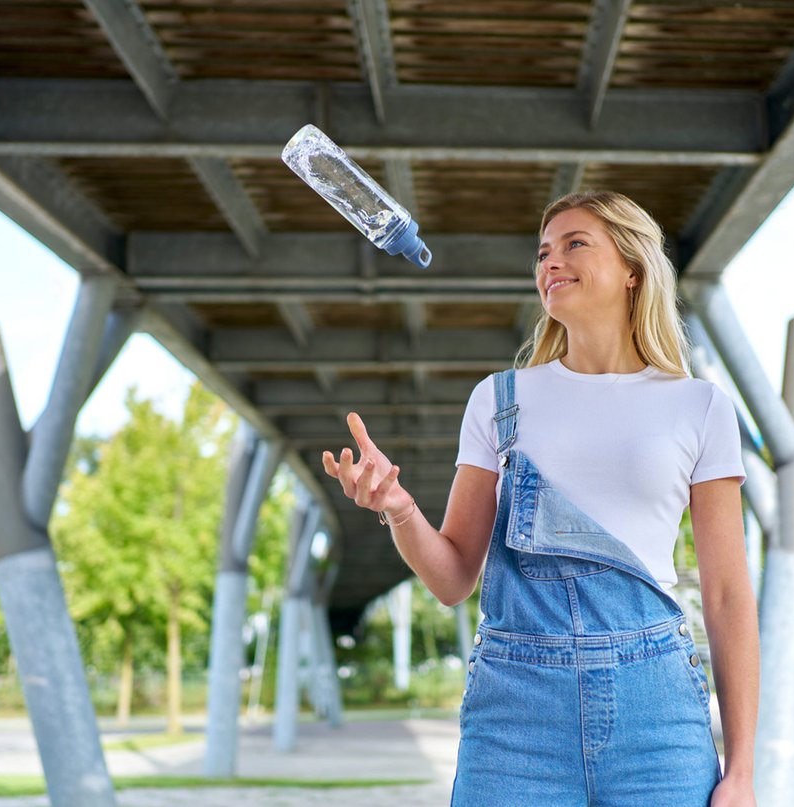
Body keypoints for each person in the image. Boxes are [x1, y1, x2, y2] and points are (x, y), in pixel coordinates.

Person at [322, 190, 759, 806]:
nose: (551, 261)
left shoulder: (700, 406)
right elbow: (452, 580)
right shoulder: (499, 399)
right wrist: (399, 508)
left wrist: (741, 772)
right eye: (543, 252)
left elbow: (727, 594)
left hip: (656, 713)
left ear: (633, 268)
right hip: (514, 717)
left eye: (575, 244)